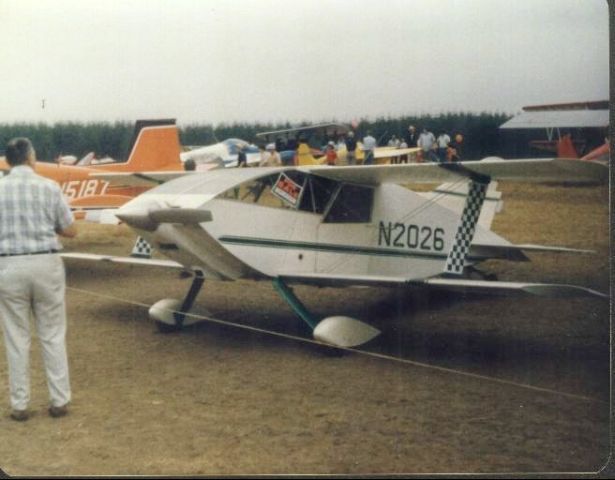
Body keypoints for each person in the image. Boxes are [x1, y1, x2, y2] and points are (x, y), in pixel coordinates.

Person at [0, 137, 77, 421]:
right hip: (46, 262)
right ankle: (59, 400)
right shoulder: (49, 187)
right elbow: (70, 230)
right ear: (31, 158)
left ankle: (20, 405)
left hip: (8, 266)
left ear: (7, 161)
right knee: (52, 334)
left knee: (16, 337)